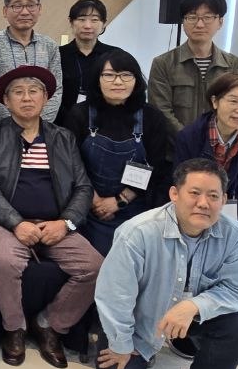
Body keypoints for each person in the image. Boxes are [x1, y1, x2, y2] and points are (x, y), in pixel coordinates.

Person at [94, 158, 238, 369]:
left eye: (213, 196)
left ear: (223, 199)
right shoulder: (139, 232)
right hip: (139, 320)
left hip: (189, 316)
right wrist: (122, 345)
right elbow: (114, 296)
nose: (203, 203)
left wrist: (193, 305)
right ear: (174, 193)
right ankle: (144, 348)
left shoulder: (234, 235)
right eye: (194, 193)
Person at [0, 66, 100, 368]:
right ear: (6, 101)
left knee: (95, 267)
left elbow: (83, 187)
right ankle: (14, 328)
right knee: (3, 261)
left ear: (45, 98)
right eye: (18, 92)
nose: (27, 98)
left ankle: (50, 325)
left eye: (34, 92)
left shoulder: (63, 137)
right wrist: (16, 223)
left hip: (55, 223)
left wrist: (66, 223)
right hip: (8, 224)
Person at [61, 50, 172, 255]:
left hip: (135, 205)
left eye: (126, 75)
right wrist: (95, 201)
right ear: (97, 79)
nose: (118, 82)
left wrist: (119, 201)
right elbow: (72, 164)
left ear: (136, 80)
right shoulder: (79, 114)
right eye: (109, 75)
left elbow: (154, 166)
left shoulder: (151, 117)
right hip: (87, 206)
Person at [174, 72, 238, 229]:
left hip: (230, 212)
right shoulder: (190, 137)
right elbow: (183, 189)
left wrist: (237, 232)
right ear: (215, 101)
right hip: (194, 210)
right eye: (234, 101)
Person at [148, 0, 238, 137]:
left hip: (220, 146)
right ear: (183, 22)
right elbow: (161, 111)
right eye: (192, 17)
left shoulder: (236, 66)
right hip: (177, 146)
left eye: (207, 17)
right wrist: (190, 140)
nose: (200, 24)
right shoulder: (163, 63)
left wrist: (214, 140)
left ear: (220, 22)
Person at [0, 0, 64, 123]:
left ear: (39, 9)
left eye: (31, 5)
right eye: (17, 6)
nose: (24, 12)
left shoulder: (49, 45)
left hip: (40, 130)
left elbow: (56, 90)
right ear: (5, 11)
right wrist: (17, 124)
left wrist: (38, 125)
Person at [58, 0, 123, 117]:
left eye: (94, 20)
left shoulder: (115, 55)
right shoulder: (58, 55)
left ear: (104, 23)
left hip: (106, 119)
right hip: (63, 121)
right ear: (71, 22)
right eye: (81, 19)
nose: (87, 26)